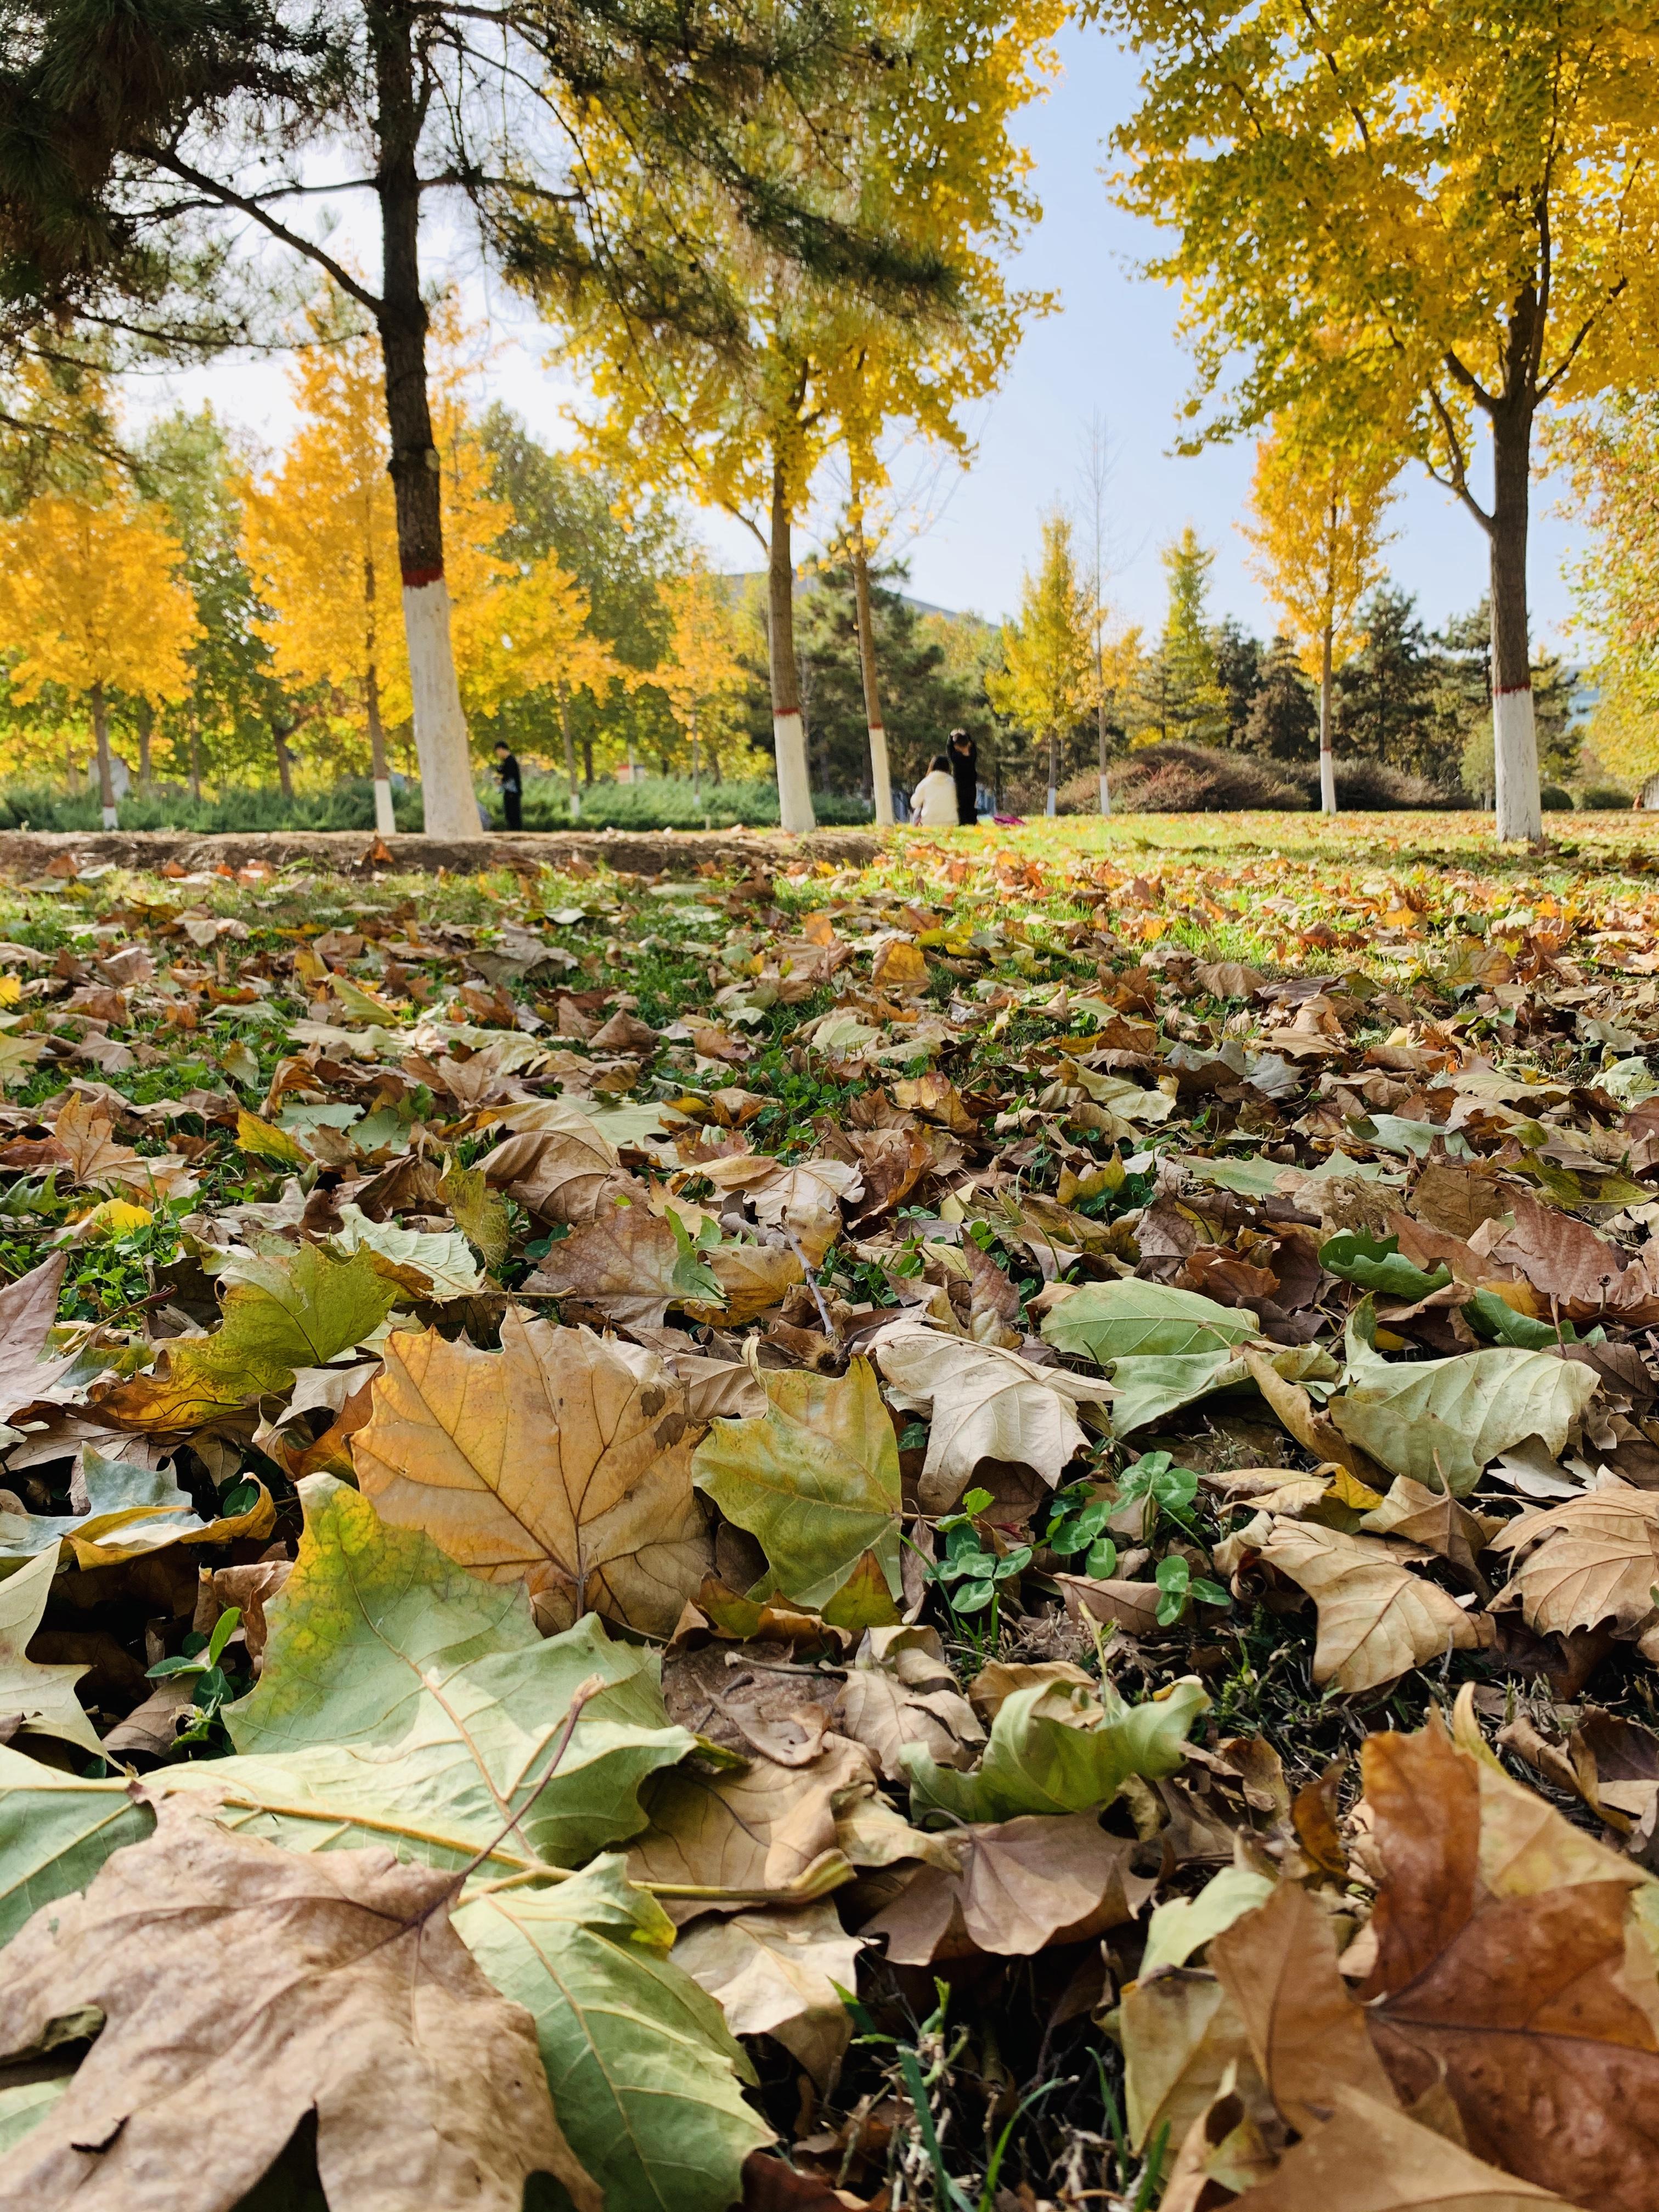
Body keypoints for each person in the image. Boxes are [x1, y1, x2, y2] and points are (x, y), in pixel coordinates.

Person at [910, 753, 961, 828]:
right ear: (948, 768)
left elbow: (914, 803)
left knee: (918, 811)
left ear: (932, 767)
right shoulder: (954, 784)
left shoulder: (925, 783)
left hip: (929, 823)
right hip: (952, 823)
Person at [948, 727, 979, 826]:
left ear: (956, 746)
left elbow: (949, 749)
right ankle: (972, 821)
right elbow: (974, 746)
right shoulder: (972, 756)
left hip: (960, 785)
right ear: (968, 744)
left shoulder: (956, 758)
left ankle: (963, 821)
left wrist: (951, 736)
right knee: (971, 805)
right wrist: (966, 734)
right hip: (971, 784)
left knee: (962, 806)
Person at [493, 741, 523, 831]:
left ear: (501, 749)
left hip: (512, 792)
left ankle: (515, 830)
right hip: (510, 791)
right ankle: (513, 829)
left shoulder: (510, 761)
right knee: (510, 812)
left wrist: (501, 781)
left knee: (513, 813)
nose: (498, 754)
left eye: (498, 751)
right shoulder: (507, 761)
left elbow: (509, 776)